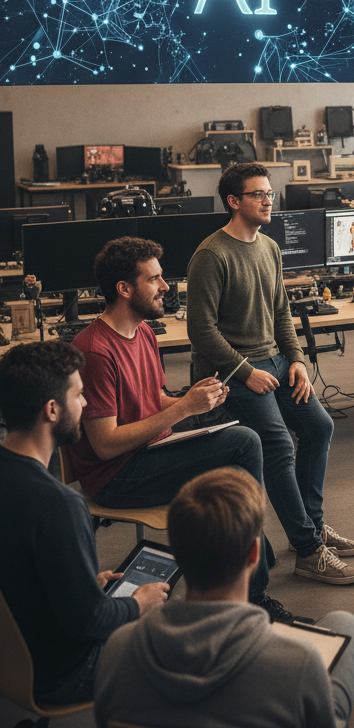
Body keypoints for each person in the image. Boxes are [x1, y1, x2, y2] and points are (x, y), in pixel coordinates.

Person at [66, 236, 289, 619]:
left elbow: (153, 402)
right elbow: (104, 445)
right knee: (246, 442)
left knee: (235, 469)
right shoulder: (96, 350)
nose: (165, 288)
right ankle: (254, 582)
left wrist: (193, 399)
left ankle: (250, 569)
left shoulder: (146, 333)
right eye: (154, 279)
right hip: (116, 476)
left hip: (151, 453)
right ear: (124, 289)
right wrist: (184, 407)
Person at [188, 162, 354, 586]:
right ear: (234, 201)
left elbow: (281, 312)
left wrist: (298, 360)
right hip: (231, 372)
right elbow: (201, 331)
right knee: (280, 445)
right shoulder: (211, 255)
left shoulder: (268, 247)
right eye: (259, 194)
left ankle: (313, 525)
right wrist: (245, 371)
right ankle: (307, 550)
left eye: (271, 193)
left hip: (276, 362)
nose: (269, 200)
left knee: (319, 428)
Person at [94, 468, 354, 728]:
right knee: (344, 623)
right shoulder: (298, 664)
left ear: (177, 552)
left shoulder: (119, 651)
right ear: (253, 554)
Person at [0, 341, 169, 703]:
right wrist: (137, 603)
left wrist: (79, 583)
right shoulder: (59, 505)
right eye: (78, 395)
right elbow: (90, 622)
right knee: (177, 642)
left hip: (11, 656)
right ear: (52, 410)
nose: (86, 404)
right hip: (61, 672)